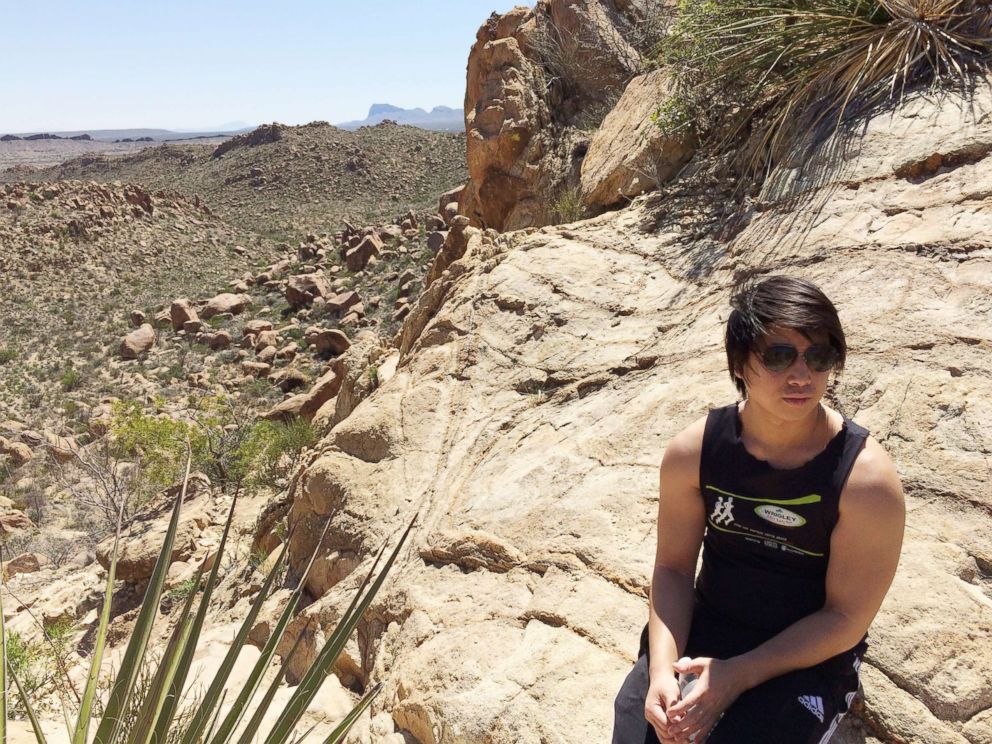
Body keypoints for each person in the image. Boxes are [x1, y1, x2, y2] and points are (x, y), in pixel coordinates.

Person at [612, 275, 905, 743]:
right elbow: (672, 569)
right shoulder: (696, 452)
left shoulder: (865, 480)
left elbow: (846, 618)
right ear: (739, 363)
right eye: (778, 355)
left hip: (806, 655)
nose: (801, 376)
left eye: (819, 356)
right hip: (710, 626)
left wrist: (737, 675)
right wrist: (663, 672)